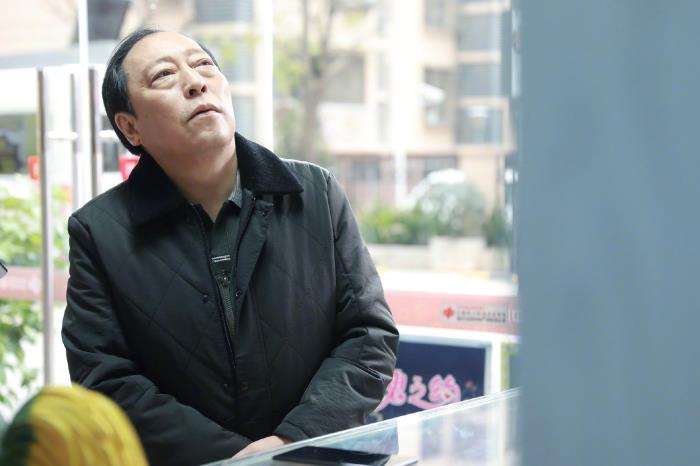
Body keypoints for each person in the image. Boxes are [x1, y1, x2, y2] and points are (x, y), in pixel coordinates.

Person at [61, 28, 399, 466]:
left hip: (316, 459)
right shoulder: (99, 232)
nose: (195, 82)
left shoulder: (315, 193)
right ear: (130, 127)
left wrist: (291, 442)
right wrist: (235, 458)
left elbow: (369, 337)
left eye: (203, 65)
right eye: (164, 75)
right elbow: (104, 379)